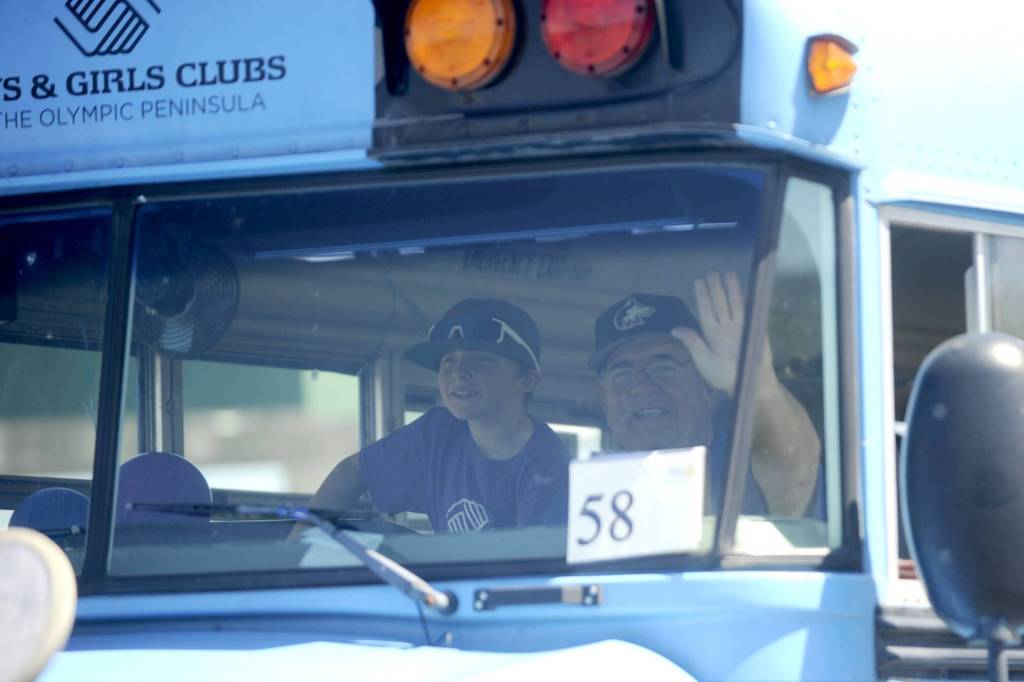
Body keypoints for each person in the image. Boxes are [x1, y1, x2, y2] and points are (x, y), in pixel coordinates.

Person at [309, 299, 569, 533]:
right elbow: (351, 473)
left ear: (527, 380)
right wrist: (299, 543)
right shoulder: (437, 433)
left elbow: (529, 573)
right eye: (448, 361)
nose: (459, 372)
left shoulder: (548, 463)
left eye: (481, 360)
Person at [590, 271, 821, 517]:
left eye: (664, 368)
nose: (642, 386)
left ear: (708, 387)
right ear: (605, 400)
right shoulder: (588, 490)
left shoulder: (740, 463)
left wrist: (756, 384)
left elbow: (795, 474)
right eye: (622, 374)